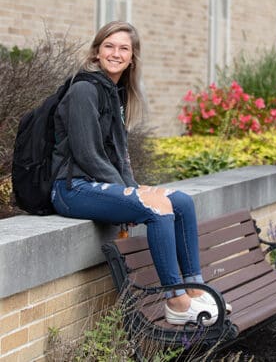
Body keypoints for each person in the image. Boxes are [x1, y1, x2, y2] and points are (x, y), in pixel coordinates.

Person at [51, 21, 231, 326]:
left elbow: (120, 156)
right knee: (156, 207)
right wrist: (134, 194)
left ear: (132, 57)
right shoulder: (84, 90)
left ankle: (194, 289)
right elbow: (87, 154)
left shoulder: (114, 93)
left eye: (124, 48)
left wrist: (133, 187)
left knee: (181, 201)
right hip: (72, 189)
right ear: (96, 52)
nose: (115, 53)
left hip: (96, 184)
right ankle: (176, 301)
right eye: (109, 46)